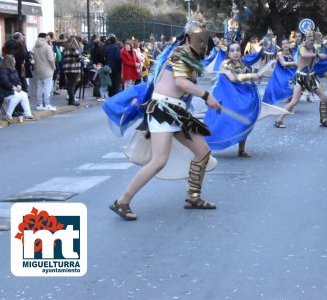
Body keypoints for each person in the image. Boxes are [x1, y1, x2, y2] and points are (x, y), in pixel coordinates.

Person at [109, 18, 222, 221]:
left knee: (202, 152)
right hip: (163, 110)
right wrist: (207, 96)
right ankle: (122, 202)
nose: (203, 44)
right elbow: (181, 82)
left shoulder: (188, 56)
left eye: (205, 40)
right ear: (188, 38)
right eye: (199, 39)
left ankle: (193, 197)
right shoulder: (180, 53)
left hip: (177, 111)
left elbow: (182, 86)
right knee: (159, 161)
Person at [204, 42, 261, 157]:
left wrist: (255, 79)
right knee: (219, 121)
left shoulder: (241, 63)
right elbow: (234, 78)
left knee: (244, 120)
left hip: (239, 96)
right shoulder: (225, 64)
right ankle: (204, 146)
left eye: (238, 50)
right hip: (226, 96)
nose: (235, 53)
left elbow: (244, 79)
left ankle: (241, 150)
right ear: (228, 53)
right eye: (232, 50)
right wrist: (251, 76)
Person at [274, 29, 327, 128]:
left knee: (324, 97)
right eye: (309, 36)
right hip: (301, 76)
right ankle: (279, 121)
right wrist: (318, 55)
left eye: (313, 36)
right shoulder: (303, 47)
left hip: (311, 77)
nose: (312, 38)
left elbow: (315, 59)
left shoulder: (313, 48)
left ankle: (324, 120)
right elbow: (303, 54)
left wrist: (321, 56)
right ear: (306, 37)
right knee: (294, 100)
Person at [0, 55, 35, 122]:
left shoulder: (13, 69)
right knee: (17, 96)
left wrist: (19, 85)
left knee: (24, 94)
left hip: (10, 90)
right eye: (14, 60)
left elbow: (18, 80)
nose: (15, 61)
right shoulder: (1, 70)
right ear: (10, 62)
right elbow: (4, 81)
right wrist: (13, 87)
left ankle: (28, 114)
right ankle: (8, 115)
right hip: (1, 91)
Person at [262, 39, 298, 105]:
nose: (285, 45)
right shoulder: (280, 53)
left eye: (286, 43)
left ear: (289, 45)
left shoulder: (292, 53)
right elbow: (283, 63)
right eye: (283, 44)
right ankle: (289, 103)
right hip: (280, 73)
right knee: (284, 86)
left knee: (295, 84)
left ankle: (290, 101)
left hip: (289, 71)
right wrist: (295, 63)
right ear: (281, 46)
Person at [33, 33, 57, 111]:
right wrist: (53, 67)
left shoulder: (35, 47)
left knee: (39, 88)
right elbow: (51, 59)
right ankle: (47, 104)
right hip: (47, 70)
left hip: (38, 69)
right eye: (48, 38)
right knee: (47, 88)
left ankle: (39, 104)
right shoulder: (47, 47)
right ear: (45, 38)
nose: (49, 40)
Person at [62, 36, 83, 106]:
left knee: (69, 84)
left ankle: (71, 99)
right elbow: (79, 58)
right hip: (74, 69)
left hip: (67, 68)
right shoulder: (74, 49)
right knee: (72, 84)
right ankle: (72, 99)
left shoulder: (65, 49)